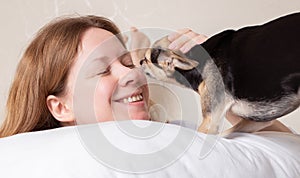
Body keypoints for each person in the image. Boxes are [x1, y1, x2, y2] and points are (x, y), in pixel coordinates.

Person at [0, 15, 292, 138]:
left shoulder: (183, 133)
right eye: (103, 69)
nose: (133, 74)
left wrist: (220, 76)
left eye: (129, 62)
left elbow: (291, 154)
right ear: (61, 106)